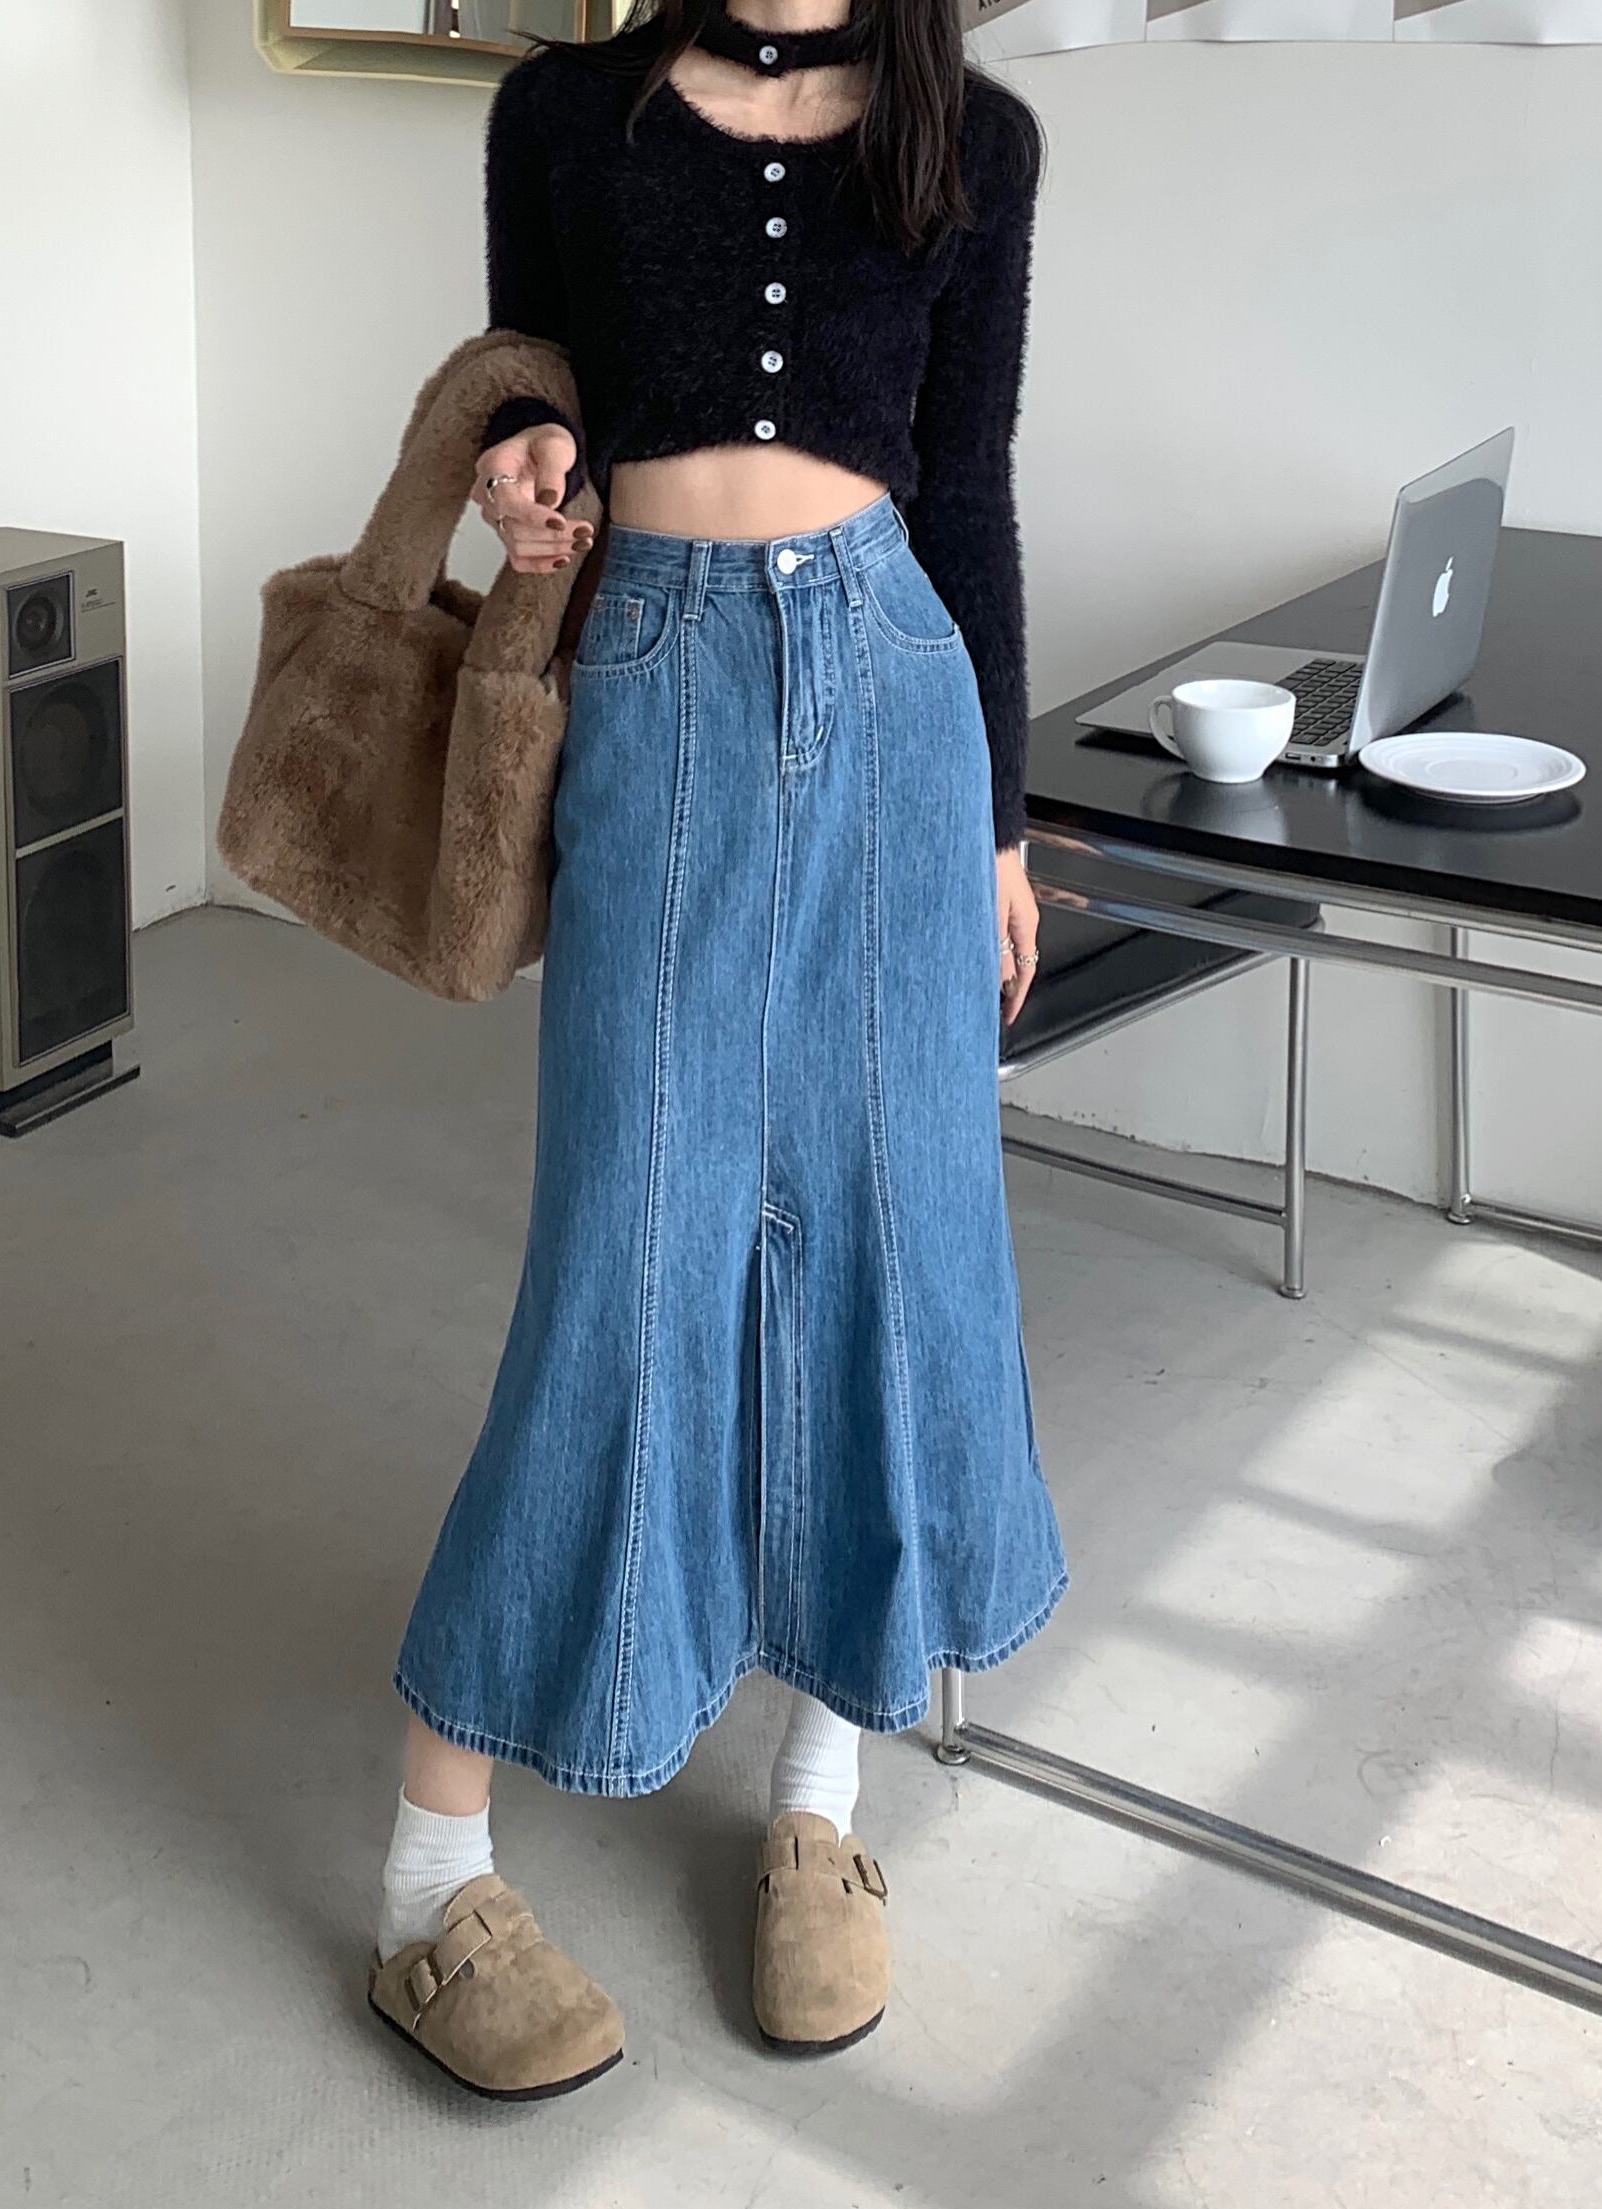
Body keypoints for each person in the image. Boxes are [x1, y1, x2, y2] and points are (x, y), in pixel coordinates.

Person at [366, 0, 1067, 2100]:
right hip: (659, 687)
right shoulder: (560, 116)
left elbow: (969, 488)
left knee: (879, 1243)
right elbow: (531, 399)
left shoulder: (977, 140)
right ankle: (427, 1879)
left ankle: (819, 1802)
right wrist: (522, 462)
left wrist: (1000, 827)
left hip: (895, 697)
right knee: (626, 1255)